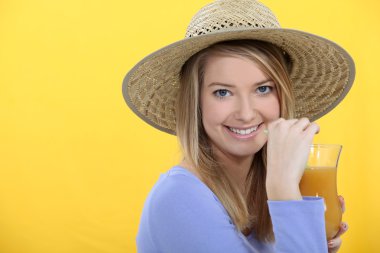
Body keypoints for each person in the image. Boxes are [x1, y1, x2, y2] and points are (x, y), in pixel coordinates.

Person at [122, 0, 355, 252]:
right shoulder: (178, 200)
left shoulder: (265, 191)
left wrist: (310, 239)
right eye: (223, 92)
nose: (245, 114)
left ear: (282, 96)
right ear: (196, 103)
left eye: (263, 89)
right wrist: (284, 193)